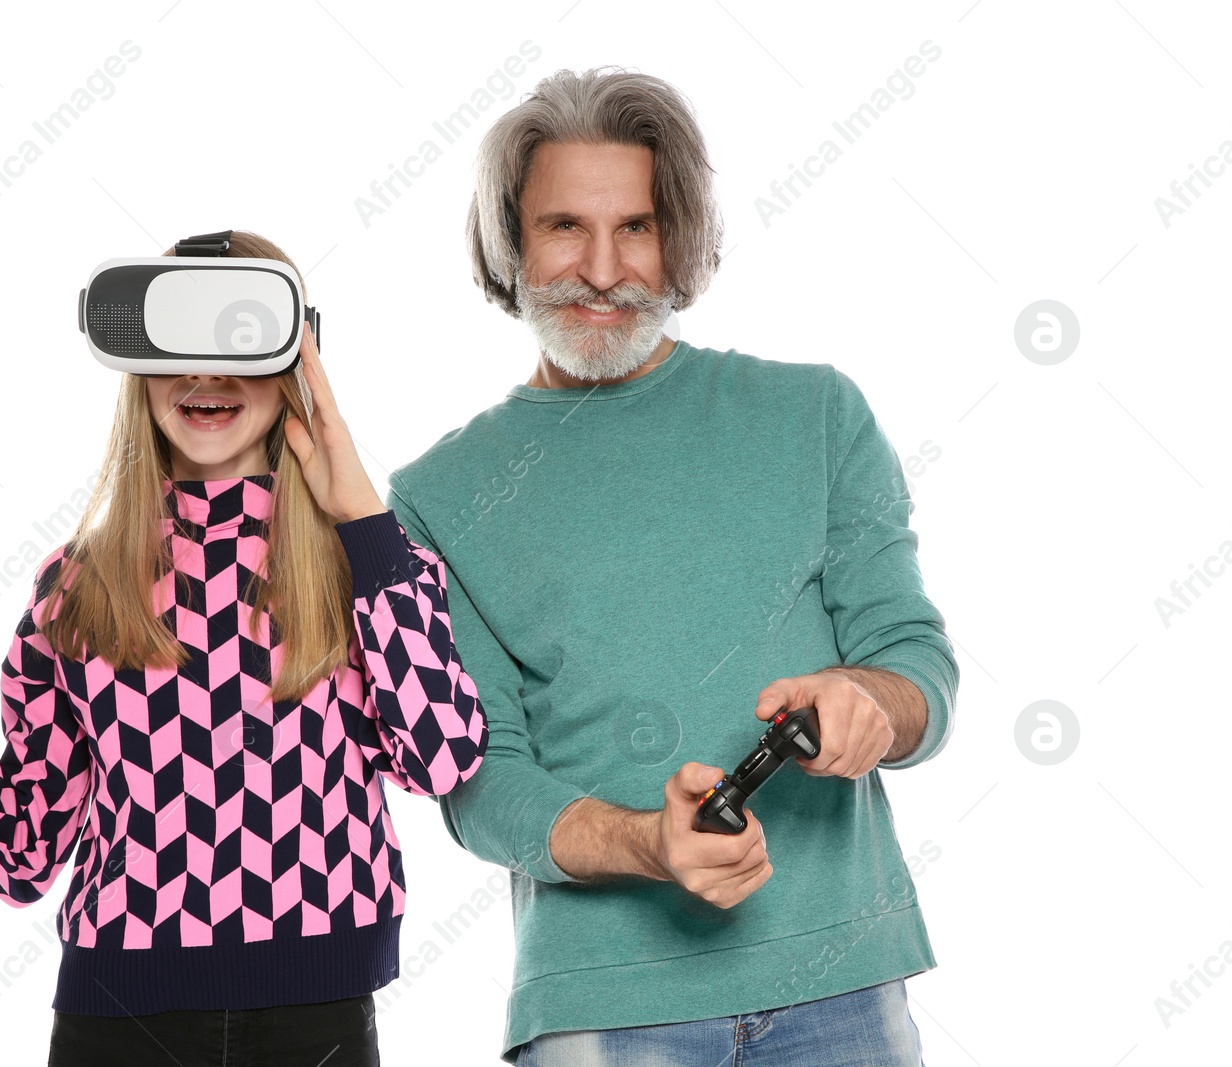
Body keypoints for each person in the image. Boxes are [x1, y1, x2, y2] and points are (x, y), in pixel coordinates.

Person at [384, 69, 959, 1066]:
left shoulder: (816, 416)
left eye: (637, 228)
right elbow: (478, 782)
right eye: (564, 226)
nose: (601, 270)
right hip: (601, 1005)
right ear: (511, 243)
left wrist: (868, 697)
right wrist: (650, 841)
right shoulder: (438, 493)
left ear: (678, 241)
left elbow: (913, 661)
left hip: (841, 981)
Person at [0, 230, 489, 1067]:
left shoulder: (371, 565)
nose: (205, 374)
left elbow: (443, 756)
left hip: (317, 1015)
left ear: (296, 359)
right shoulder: (78, 585)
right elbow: (21, 852)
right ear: (139, 364)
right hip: (116, 1022)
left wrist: (361, 517)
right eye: (178, 340)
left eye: (238, 339)